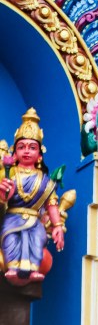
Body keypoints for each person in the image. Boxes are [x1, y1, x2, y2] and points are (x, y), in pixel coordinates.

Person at [0, 109, 64, 284]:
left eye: (32, 147)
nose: (26, 151)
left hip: (35, 220)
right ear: (14, 153)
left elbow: (51, 204)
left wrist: (57, 226)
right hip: (12, 216)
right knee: (10, 239)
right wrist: (4, 193)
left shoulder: (45, 181)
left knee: (37, 239)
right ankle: (13, 267)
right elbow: (4, 200)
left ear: (39, 155)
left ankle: (33, 268)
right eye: (21, 147)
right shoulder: (10, 175)